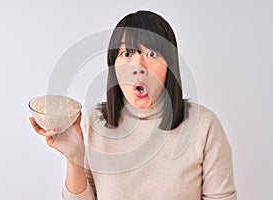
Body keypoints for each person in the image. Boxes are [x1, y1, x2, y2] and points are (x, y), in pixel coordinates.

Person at [30, 10, 237, 200]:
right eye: (127, 54)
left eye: (152, 54)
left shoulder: (204, 126)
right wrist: (74, 158)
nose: (139, 67)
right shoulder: (93, 121)